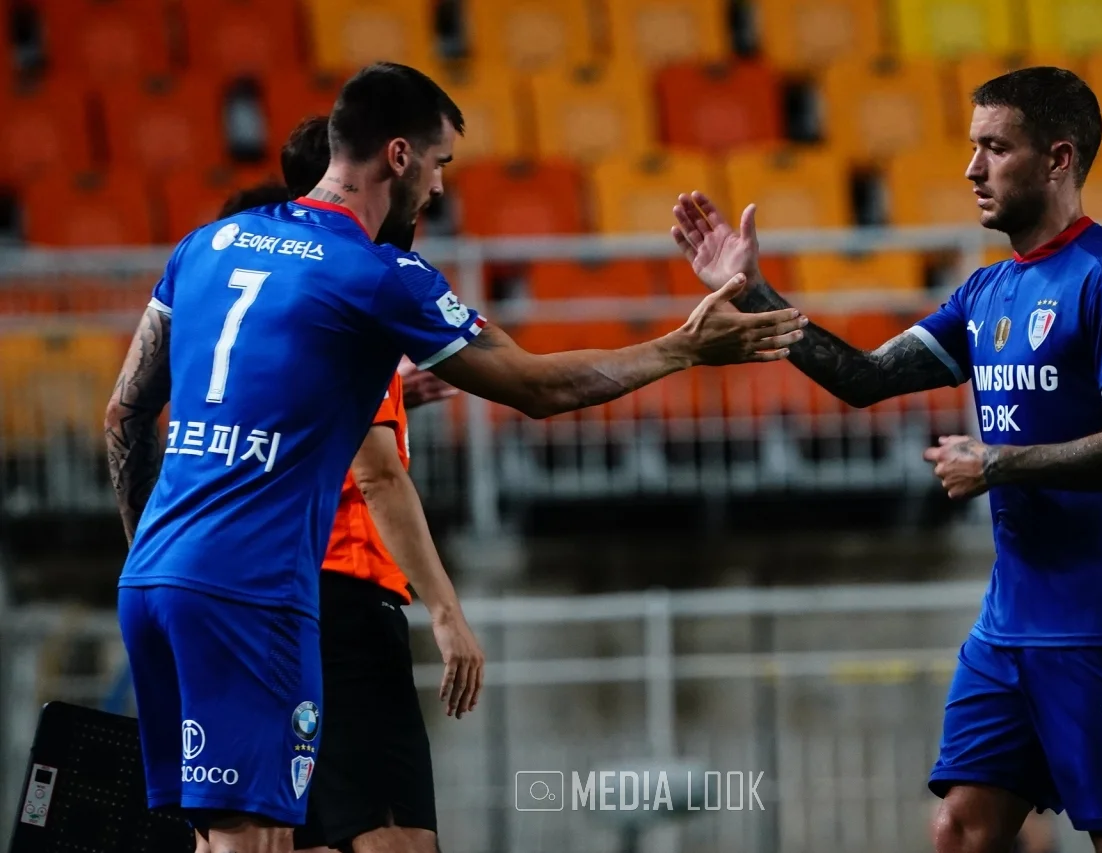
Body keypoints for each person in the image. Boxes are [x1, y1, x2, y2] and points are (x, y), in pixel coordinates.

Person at [105, 62, 807, 853]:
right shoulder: (377, 275)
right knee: (255, 843)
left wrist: (152, 554)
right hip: (255, 591)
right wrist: (684, 347)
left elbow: (124, 411)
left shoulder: (204, 245)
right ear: (398, 156)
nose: (439, 187)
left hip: (155, 577)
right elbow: (538, 387)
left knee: (217, 837)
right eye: (439, 163)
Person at [669, 67, 1102, 853]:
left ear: (1058, 158)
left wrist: (999, 464)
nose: (972, 169)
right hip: (1009, 626)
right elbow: (863, 377)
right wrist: (753, 293)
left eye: (995, 148)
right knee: (959, 831)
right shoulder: (985, 293)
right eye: (972, 147)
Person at [201, 119, 474, 853]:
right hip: (340, 591)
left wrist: (391, 393)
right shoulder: (350, 286)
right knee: (393, 834)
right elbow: (376, 475)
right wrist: (446, 611)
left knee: (281, 835)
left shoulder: (238, 295)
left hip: (237, 588)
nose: (431, 189)